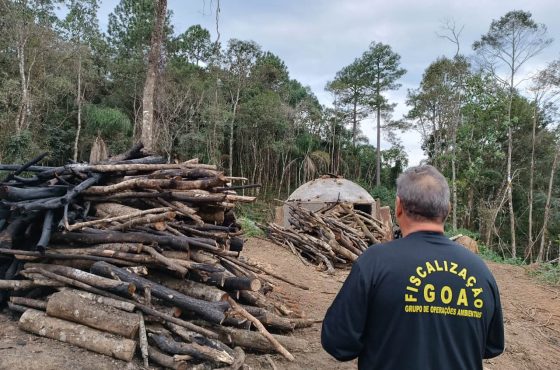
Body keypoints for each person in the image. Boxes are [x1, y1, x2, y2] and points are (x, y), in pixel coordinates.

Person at [321, 165, 504, 370]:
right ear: (447, 209)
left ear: (399, 206)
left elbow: (338, 344)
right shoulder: (480, 271)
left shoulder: (374, 262)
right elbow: (492, 346)